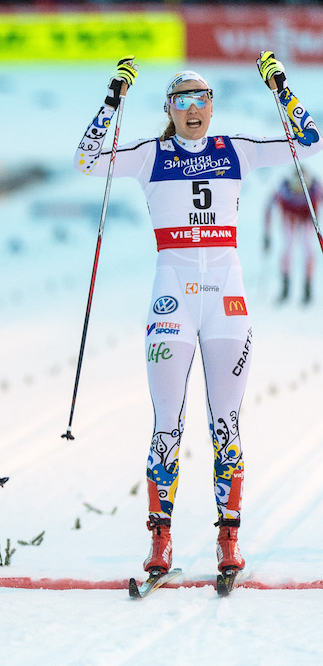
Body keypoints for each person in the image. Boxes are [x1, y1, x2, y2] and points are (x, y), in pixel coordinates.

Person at [74, 52, 321, 579]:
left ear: (212, 107)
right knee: (168, 423)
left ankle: (227, 541)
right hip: (172, 299)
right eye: (183, 101)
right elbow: (88, 159)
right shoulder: (151, 155)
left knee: (225, 425)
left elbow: (308, 140)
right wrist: (113, 98)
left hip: (227, 298)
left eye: (202, 100)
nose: (193, 110)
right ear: (169, 108)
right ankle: (160, 542)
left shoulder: (236, 151)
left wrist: (279, 85)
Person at [264, 167, 322, 304]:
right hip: (289, 220)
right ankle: (285, 289)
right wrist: (267, 234)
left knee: (309, 251)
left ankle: (307, 290)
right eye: (296, 188)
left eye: (301, 188)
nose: (298, 192)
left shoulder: (315, 189)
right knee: (287, 251)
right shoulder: (284, 190)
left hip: (307, 220)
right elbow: (268, 207)